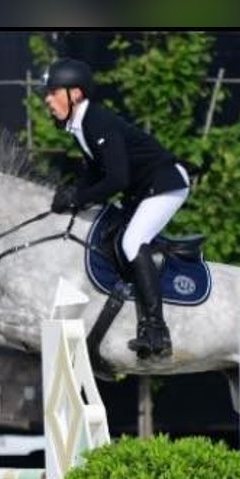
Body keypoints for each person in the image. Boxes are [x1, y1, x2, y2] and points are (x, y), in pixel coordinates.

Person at [40, 57, 191, 360]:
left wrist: (78, 198)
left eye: (53, 91)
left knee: (132, 241)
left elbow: (117, 179)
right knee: (111, 234)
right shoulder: (81, 125)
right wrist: (74, 193)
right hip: (143, 190)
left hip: (164, 185)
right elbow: (97, 174)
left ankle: (156, 330)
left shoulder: (97, 121)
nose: (47, 99)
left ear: (76, 94)